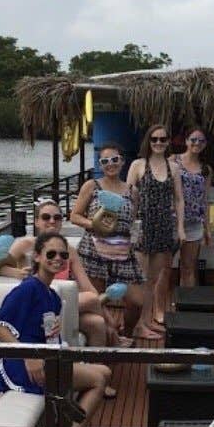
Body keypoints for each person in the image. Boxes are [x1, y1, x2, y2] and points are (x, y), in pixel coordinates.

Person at [0, 231, 111, 427]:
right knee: (98, 379)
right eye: (51, 254)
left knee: (104, 371)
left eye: (63, 255)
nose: (58, 259)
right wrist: (28, 356)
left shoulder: (51, 295)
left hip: (45, 358)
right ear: (37, 257)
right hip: (24, 365)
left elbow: (49, 336)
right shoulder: (28, 289)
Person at [0, 199, 128, 352]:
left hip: (57, 302)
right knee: (91, 299)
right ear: (36, 221)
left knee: (97, 322)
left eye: (57, 218)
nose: (52, 221)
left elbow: (88, 287)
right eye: (46, 217)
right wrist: (16, 273)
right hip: (35, 303)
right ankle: (113, 337)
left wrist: (106, 318)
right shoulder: (26, 244)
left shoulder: (69, 251)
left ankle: (96, 363)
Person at [70, 143, 144, 334]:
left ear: (122, 161)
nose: (110, 164)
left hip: (122, 252)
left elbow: (131, 220)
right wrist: (93, 224)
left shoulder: (132, 191)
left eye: (115, 159)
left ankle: (127, 333)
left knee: (136, 302)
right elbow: (74, 216)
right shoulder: (91, 186)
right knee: (97, 299)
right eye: (105, 161)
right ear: (100, 165)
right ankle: (108, 334)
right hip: (93, 250)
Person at [126, 124, 185, 340]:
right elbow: (128, 196)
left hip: (164, 226)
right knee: (141, 278)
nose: (158, 143)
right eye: (154, 139)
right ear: (148, 141)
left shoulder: (174, 168)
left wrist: (180, 228)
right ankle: (138, 324)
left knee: (154, 279)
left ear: (168, 142)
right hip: (142, 226)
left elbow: (179, 199)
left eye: (163, 139)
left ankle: (147, 320)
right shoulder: (138, 165)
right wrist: (128, 228)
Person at [174, 126, 212, 286]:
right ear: (186, 141)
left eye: (201, 141)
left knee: (188, 268)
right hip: (172, 221)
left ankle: (186, 300)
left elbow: (205, 200)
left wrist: (207, 228)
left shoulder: (206, 169)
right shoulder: (173, 161)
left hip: (194, 224)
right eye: (193, 139)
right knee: (164, 268)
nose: (197, 143)